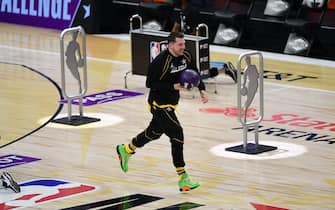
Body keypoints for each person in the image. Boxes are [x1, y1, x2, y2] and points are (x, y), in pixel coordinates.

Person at [117, 32, 208, 192]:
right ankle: (183, 178)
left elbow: (194, 70)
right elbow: (150, 83)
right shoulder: (160, 62)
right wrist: (172, 86)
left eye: (184, 44)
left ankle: (126, 149)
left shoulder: (185, 54)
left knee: (154, 133)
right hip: (158, 103)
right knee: (177, 134)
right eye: (180, 44)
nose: (183, 47)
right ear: (171, 44)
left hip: (172, 102)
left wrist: (201, 89)